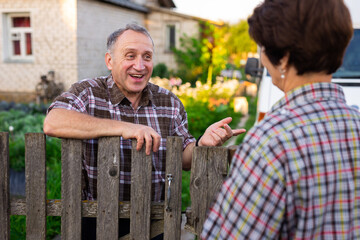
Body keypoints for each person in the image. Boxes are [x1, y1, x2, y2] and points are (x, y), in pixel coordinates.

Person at [43, 23, 245, 239]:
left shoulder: (169, 102)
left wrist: (202, 145)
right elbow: (53, 122)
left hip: (155, 220)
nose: (139, 66)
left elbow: (184, 160)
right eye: (130, 56)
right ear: (109, 61)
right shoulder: (89, 93)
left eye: (147, 57)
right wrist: (125, 128)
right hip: (96, 217)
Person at [201, 0, 360, 239]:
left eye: (263, 48)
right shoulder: (356, 123)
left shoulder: (270, 140)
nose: (262, 57)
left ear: (283, 58)